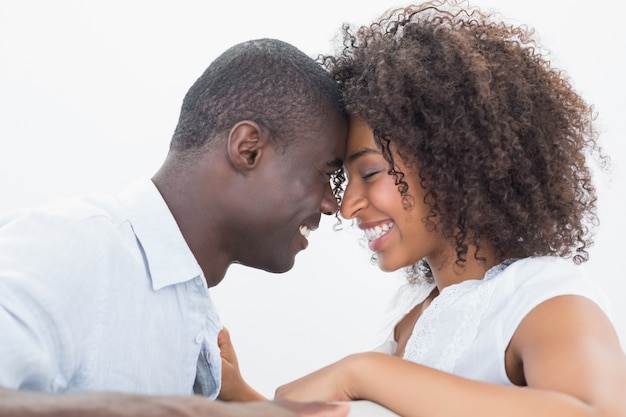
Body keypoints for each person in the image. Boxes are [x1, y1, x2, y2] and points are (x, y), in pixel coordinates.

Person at [272, 1, 626, 416]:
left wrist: (362, 373)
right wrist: (239, 397)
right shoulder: (409, 309)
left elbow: (600, 411)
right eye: (343, 180)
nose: (347, 207)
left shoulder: (541, 296)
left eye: (368, 172)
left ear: (450, 161)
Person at [0, 38, 349, 417]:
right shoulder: (75, 248)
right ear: (248, 150)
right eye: (326, 173)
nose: (334, 205)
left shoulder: (193, 313)